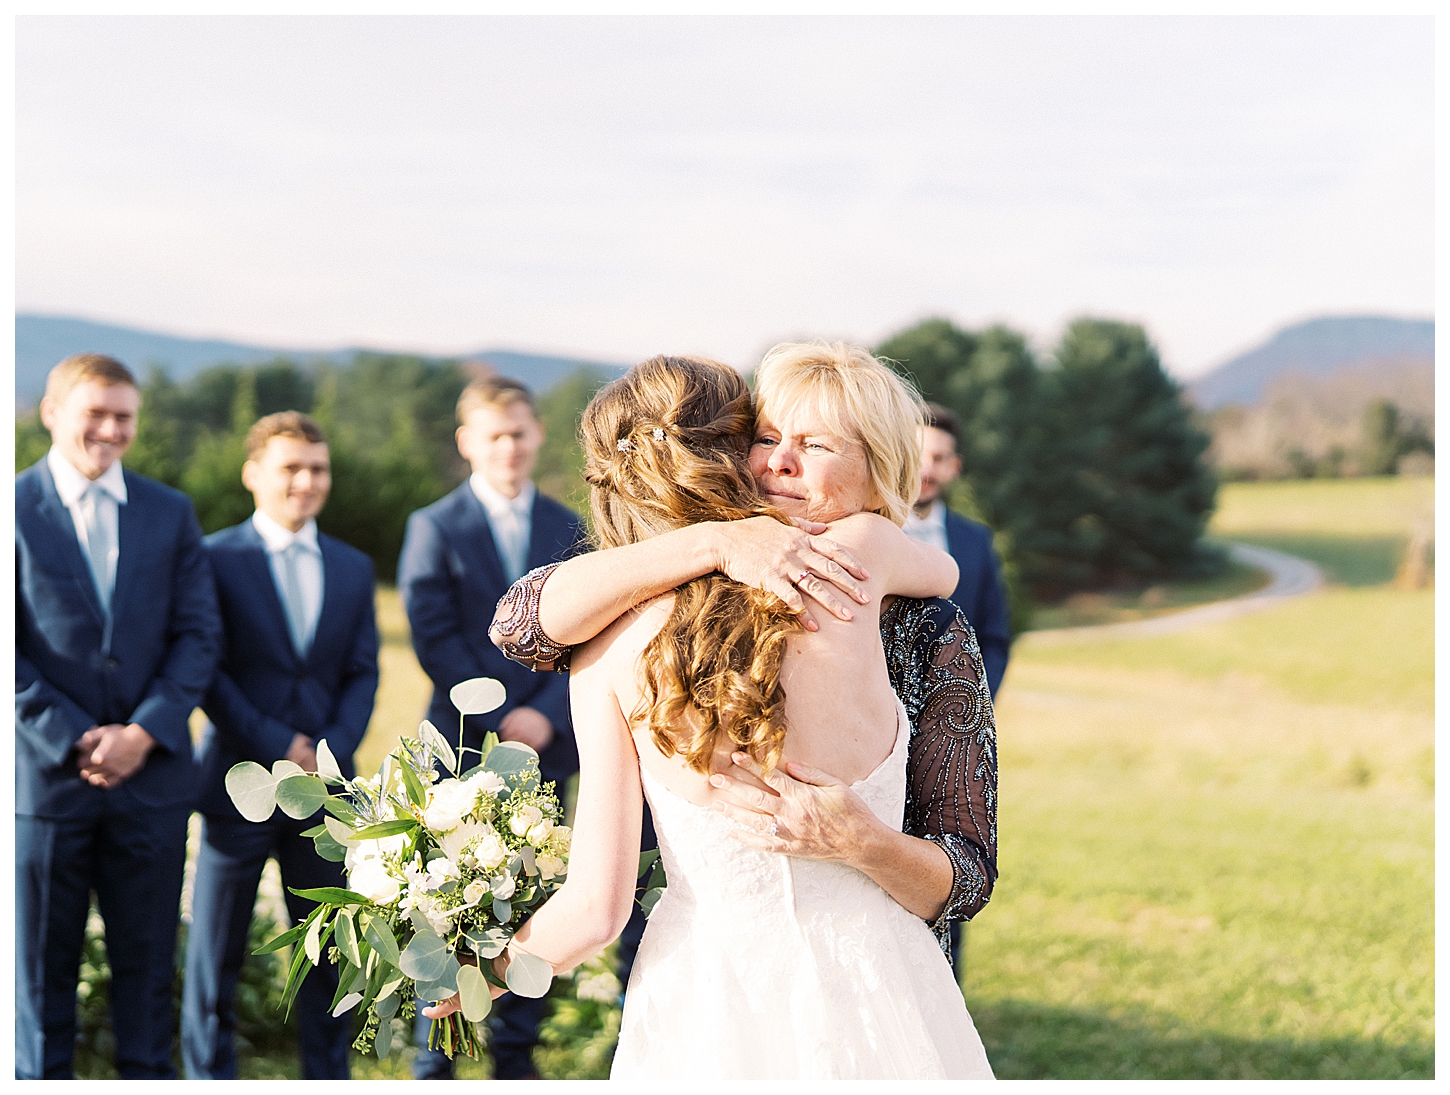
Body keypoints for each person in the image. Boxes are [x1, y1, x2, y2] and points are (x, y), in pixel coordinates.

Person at [436, 348, 995, 1079]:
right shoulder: (863, 565)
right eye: (766, 438)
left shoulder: (601, 646)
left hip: (710, 997)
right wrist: (717, 542)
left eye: (816, 444)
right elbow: (517, 620)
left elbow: (595, 913)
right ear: (733, 456)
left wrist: (481, 967)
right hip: (854, 985)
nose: (781, 462)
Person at [16, 353, 222, 1079]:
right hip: (48, 786)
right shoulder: (12, 509)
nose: (109, 430)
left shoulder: (170, 512)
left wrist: (142, 733)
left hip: (153, 781)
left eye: (123, 417)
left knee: (146, 982)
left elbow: (199, 635)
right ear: (51, 412)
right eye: (94, 413)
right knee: (40, 988)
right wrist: (74, 736)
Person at [396, 375, 587, 1080]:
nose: (508, 446)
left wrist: (547, 713)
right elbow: (433, 633)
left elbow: (588, 635)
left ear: (537, 435)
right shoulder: (434, 526)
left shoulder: (569, 526)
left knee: (536, 889)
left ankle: (517, 1056)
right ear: (467, 442)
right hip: (461, 740)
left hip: (546, 741)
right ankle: (436, 1057)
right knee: (447, 895)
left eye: (519, 432)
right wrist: (502, 708)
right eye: (494, 434)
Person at [183, 412, 380, 1080]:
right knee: (217, 959)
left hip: (325, 794)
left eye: (317, 468)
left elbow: (362, 670)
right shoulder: (214, 557)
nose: (305, 481)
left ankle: (327, 1079)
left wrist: (327, 751)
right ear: (253, 474)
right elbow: (205, 668)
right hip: (236, 782)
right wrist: (278, 743)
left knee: (329, 955)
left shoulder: (353, 567)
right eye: (290, 467)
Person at [905, 403, 1012, 697]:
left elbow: (994, 636)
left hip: (955, 718)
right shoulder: (870, 530)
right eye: (916, 456)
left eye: (938, 458)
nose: (926, 469)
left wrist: (975, 707)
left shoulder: (977, 540)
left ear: (954, 468)